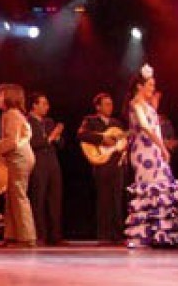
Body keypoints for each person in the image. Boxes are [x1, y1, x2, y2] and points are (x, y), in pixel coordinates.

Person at [124, 64, 178, 248]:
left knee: (162, 187)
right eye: (150, 85)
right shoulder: (136, 104)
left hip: (154, 151)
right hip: (144, 153)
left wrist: (160, 148)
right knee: (151, 189)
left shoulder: (147, 105)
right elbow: (145, 127)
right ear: (140, 86)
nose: (153, 88)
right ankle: (147, 234)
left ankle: (163, 234)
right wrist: (162, 147)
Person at [76, 93, 127, 244]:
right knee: (104, 199)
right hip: (101, 163)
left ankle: (117, 235)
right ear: (98, 107)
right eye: (106, 104)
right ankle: (104, 235)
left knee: (117, 199)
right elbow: (81, 135)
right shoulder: (90, 120)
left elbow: (123, 141)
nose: (110, 107)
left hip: (116, 163)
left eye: (111, 104)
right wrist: (102, 138)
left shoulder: (117, 123)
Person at [0, 83, 36, 247]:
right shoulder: (12, 114)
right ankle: (12, 235)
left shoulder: (11, 114)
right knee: (11, 196)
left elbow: (11, 142)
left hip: (19, 159)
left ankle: (26, 237)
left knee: (18, 195)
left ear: (9, 97)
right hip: (19, 158)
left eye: (0, 95)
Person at [27, 92, 64, 246]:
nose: (47, 107)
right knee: (38, 199)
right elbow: (33, 143)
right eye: (43, 104)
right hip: (38, 163)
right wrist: (50, 138)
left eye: (47, 104)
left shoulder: (49, 122)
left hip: (52, 163)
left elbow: (60, 145)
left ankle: (55, 236)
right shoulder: (27, 121)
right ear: (34, 105)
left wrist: (58, 137)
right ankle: (40, 235)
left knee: (55, 199)